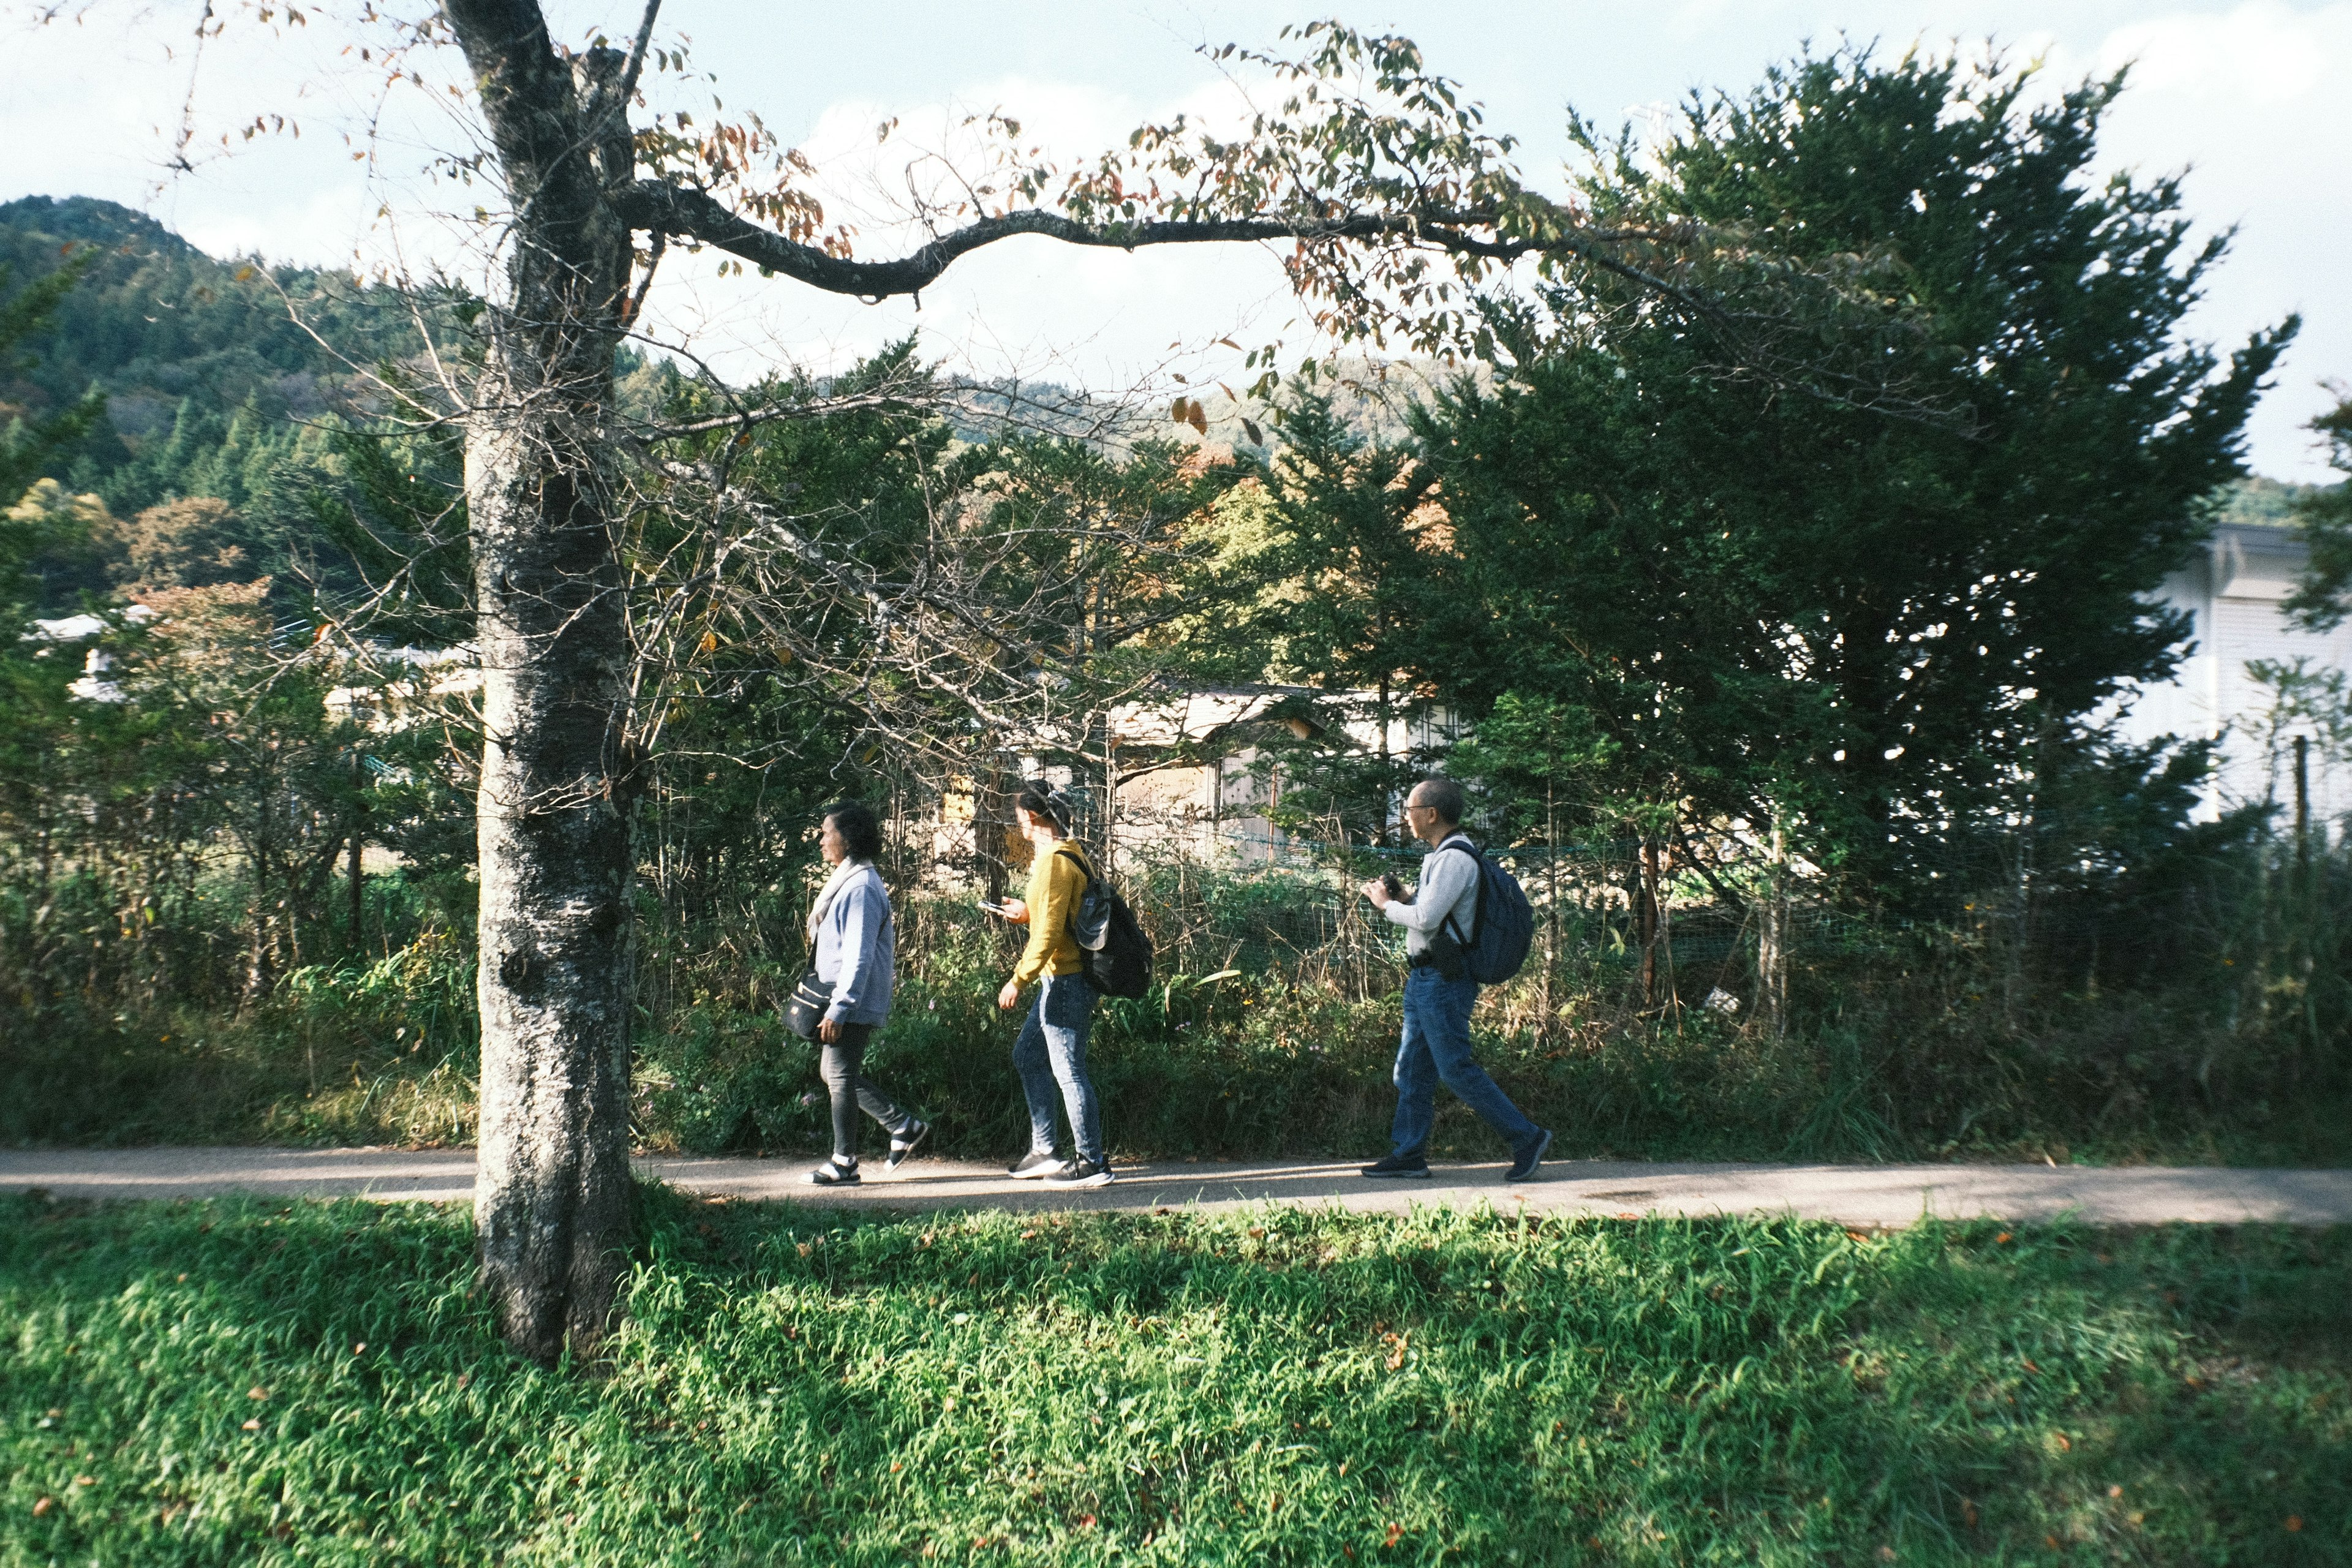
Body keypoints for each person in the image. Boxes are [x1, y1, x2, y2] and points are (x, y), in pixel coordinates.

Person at [1357, 777, 1553, 1182]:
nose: (1406, 817)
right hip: (1425, 978)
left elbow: (1426, 920)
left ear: (1431, 814)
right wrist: (1406, 900)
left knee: (1454, 1070)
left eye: (1410, 809)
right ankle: (1409, 1154)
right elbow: (1435, 916)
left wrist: (1387, 905)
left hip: (1444, 980)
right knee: (1412, 1069)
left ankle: (1527, 1137)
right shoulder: (1442, 856)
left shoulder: (1454, 859)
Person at [990, 780, 1114, 1188]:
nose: (1018, 823)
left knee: (1068, 1071)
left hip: (1065, 981)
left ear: (1031, 816)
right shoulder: (1068, 854)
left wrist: (1017, 980)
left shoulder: (1054, 862)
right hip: (1062, 980)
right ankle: (1045, 1151)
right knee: (1028, 1055)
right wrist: (1027, 912)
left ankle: (1092, 1162)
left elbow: (1047, 936)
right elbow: (1059, 916)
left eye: (1019, 815)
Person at [803, 801, 929, 1186]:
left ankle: (845, 1163)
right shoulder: (847, 879)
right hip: (845, 997)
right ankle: (903, 1126)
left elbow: (857, 957)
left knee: (839, 1075)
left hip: (852, 999)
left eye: (828, 833)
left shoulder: (860, 887)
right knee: (835, 1072)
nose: (821, 840)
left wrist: (839, 1008)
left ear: (849, 838)